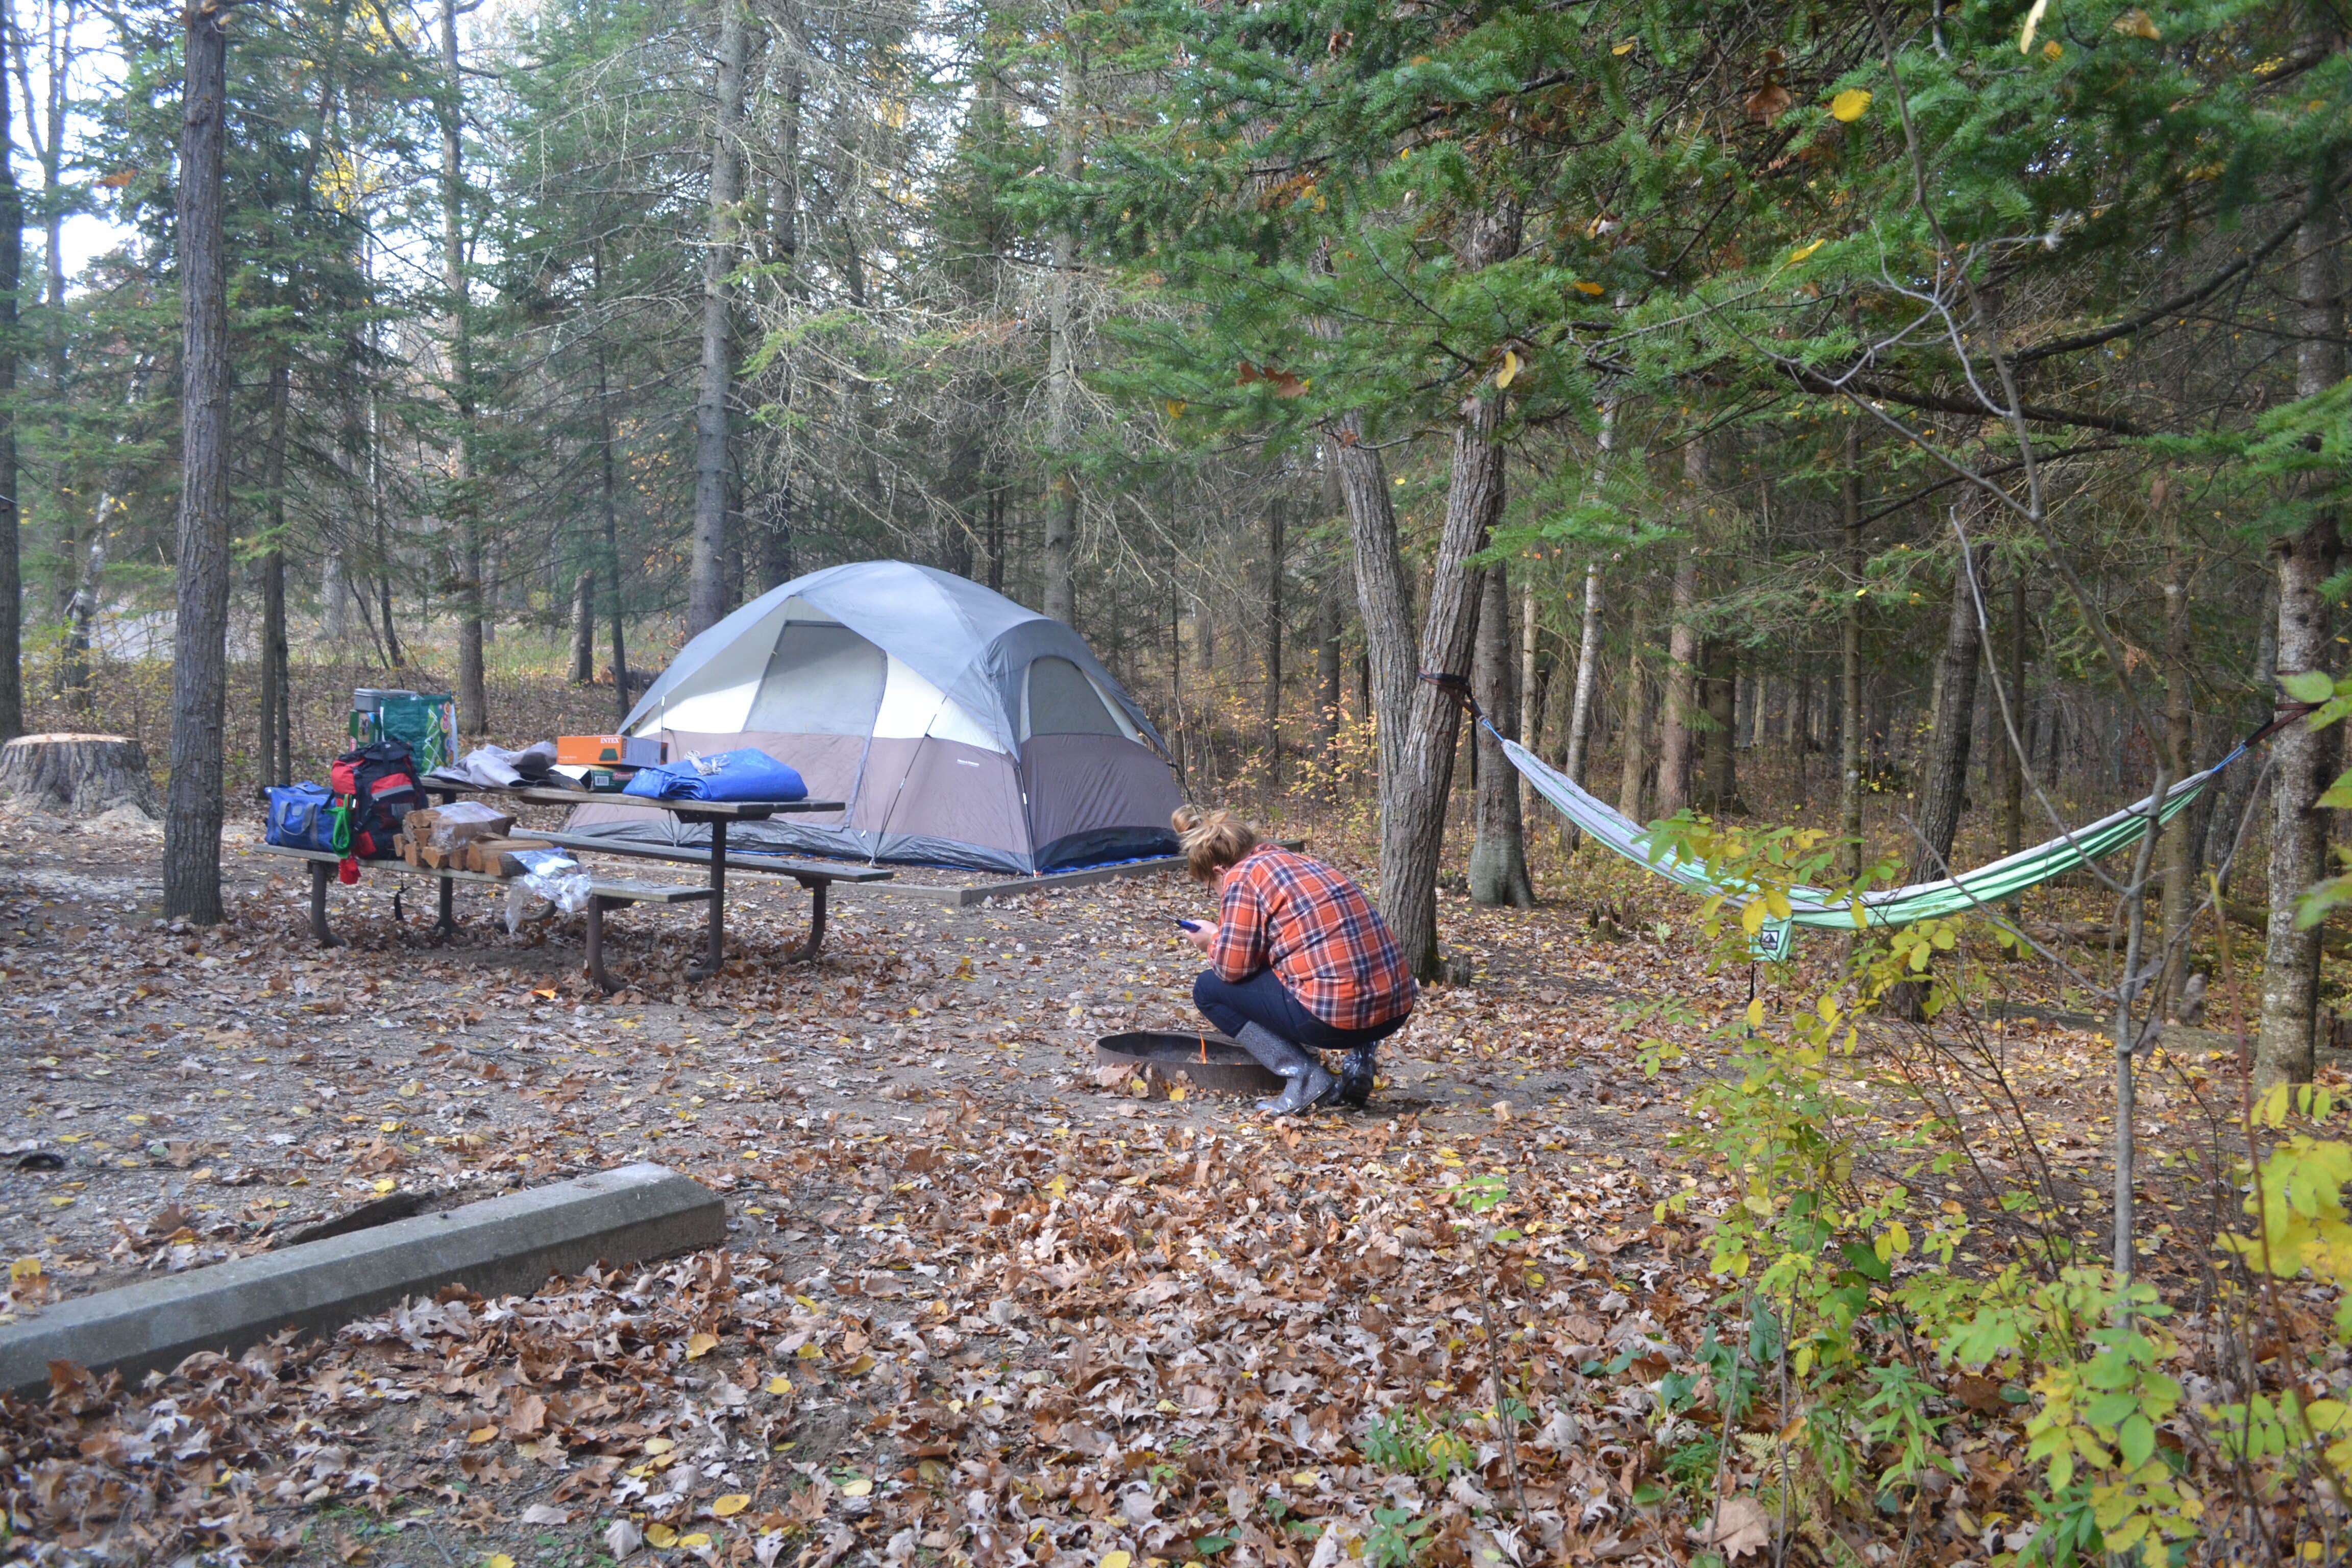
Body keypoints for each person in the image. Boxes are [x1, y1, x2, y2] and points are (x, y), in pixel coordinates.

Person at [1174, 806, 1416, 1115]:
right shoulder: (1300, 863)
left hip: (1339, 1020)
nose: (1217, 893)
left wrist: (1211, 939)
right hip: (1394, 1010)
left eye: (1212, 888)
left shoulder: (1242, 876)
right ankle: (1360, 1064)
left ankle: (1303, 1077)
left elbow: (1231, 969)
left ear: (1220, 871)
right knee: (1349, 966)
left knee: (1208, 989)